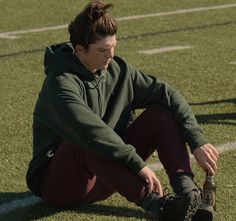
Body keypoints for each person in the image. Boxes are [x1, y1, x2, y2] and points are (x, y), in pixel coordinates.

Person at [26, 1, 219, 220]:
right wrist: (137, 165)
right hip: (62, 187)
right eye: (102, 50)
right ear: (80, 49)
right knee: (84, 140)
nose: (110, 55)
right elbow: (92, 133)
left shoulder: (116, 69)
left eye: (113, 47)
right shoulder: (60, 84)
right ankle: (163, 206)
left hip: (107, 176)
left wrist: (196, 140)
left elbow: (167, 93)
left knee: (161, 113)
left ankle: (188, 194)